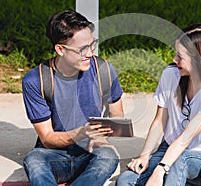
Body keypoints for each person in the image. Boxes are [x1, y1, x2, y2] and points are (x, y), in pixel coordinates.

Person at [116, 24, 201, 186]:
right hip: (168, 148)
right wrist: (145, 155)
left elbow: (185, 139)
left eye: (180, 56)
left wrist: (160, 169)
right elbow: (160, 120)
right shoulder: (170, 75)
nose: (174, 60)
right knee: (126, 181)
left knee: (177, 163)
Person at [22, 9, 124, 186]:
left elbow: (118, 116)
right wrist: (81, 133)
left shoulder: (104, 70)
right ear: (60, 49)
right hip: (55, 155)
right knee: (34, 160)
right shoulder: (36, 80)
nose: (90, 53)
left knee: (108, 156)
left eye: (92, 45)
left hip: (91, 152)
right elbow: (47, 138)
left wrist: (101, 137)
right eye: (82, 49)